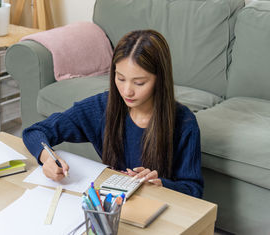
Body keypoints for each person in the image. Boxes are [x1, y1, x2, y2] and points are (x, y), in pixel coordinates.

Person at [22, 30, 203, 198]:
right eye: (120, 78)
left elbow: (193, 190)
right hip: (113, 204)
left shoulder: (184, 122)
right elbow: (35, 132)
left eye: (139, 83)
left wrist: (161, 184)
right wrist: (47, 158)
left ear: (160, 80)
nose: (126, 91)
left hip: (160, 208)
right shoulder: (103, 107)